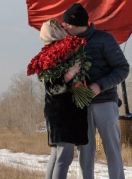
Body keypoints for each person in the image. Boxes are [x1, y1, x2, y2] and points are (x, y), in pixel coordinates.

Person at [62, 3, 130, 179]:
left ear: (77, 24)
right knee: (84, 150)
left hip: (105, 103)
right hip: (80, 106)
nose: (64, 26)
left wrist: (100, 85)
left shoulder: (105, 39)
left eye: (67, 23)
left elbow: (122, 68)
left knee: (112, 148)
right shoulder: (67, 43)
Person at [38, 19, 89, 179]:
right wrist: (70, 74)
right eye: (59, 27)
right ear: (53, 33)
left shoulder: (61, 51)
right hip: (61, 114)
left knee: (57, 156)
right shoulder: (50, 55)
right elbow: (52, 87)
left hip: (62, 112)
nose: (63, 28)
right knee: (64, 157)